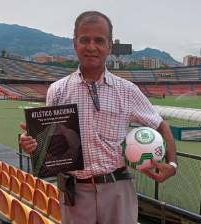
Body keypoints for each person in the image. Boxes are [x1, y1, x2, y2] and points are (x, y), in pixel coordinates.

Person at [20, 10, 177, 224]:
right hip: (75, 191)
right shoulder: (57, 90)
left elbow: (161, 125)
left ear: (110, 46)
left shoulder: (127, 90)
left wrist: (173, 164)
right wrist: (33, 144)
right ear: (75, 43)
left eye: (99, 41)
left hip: (117, 187)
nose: (92, 47)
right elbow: (50, 145)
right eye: (85, 40)